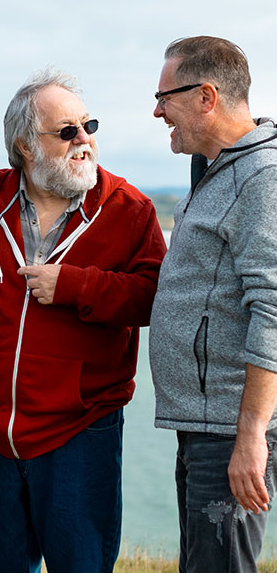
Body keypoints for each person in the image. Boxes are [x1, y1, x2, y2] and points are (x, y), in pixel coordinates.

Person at [0, 70, 167, 573]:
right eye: (66, 131)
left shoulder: (130, 209)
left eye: (88, 125)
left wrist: (74, 286)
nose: (84, 139)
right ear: (24, 145)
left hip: (81, 430)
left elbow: (153, 298)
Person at [149, 36, 277, 573]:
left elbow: (272, 309)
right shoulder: (218, 169)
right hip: (206, 422)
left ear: (206, 96)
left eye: (165, 97)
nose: (157, 111)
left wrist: (249, 434)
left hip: (229, 427)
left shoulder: (261, 177)